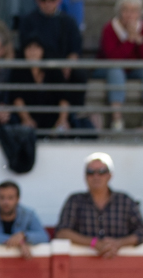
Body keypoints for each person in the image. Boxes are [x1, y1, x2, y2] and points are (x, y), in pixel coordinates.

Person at [55, 152, 143, 258]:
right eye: (91, 172)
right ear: (85, 176)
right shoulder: (75, 200)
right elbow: (62, 232)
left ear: (110, 175)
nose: (96, 176)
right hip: (83, 267)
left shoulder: (125, 200)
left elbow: (141, 231)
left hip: (123, 266)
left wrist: (119, 243)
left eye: (101, 171)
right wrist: (93, 243)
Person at [97, 0, 143, 131]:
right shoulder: (110, 29)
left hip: (133, 69)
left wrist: (139, 42)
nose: (130, 14)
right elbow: (113, 58)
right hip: (107, 68)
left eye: (134, 11)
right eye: (126, 10)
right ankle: (117, 120)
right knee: (115, 70)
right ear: (119, 12)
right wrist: (130, 40)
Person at [0, 180, 48, 257]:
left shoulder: (28, 214)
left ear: (18, 199)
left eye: (10, 198)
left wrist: (24, 236)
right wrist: (19, 241)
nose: (6, 202)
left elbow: (44, 237)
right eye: (2, 197)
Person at [10, 38, 71, 131]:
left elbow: (63, 98)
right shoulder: (18, 72)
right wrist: (26, 119)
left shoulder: (53, 70)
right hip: (27, 119)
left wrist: (62, 120)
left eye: (36, 48)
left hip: (52, 118)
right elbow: (17, 99)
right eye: (29, 48)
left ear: (43, 50)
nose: (33, 52)